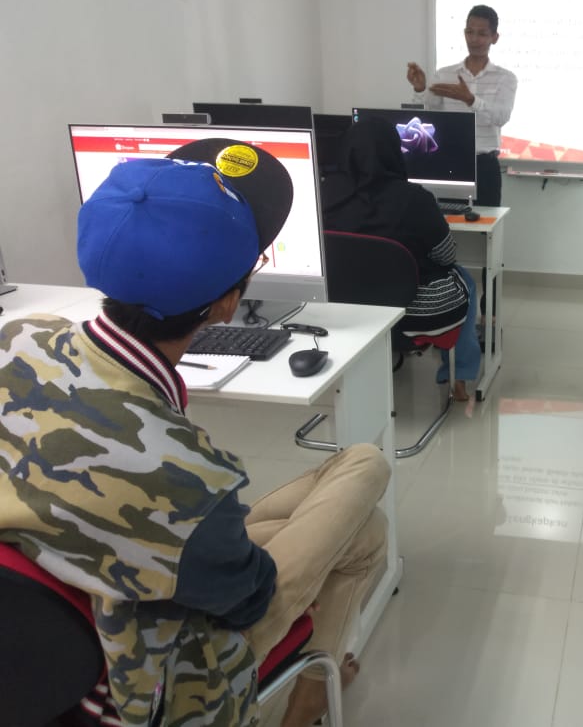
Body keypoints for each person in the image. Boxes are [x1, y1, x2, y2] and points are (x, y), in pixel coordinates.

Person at [0, 141, 390, 727]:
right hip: (160, 672)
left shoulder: (18, 339)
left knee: (358, 517)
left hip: (56, 611)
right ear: (227, 304)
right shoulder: (185, 478)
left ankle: (311, 696)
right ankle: (308, 702)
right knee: (366, 474)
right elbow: (249, 598)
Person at [324, 117, 481, 401]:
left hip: (340, 311)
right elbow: (447, 256)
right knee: (465, 280)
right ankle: (458, 377)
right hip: (411, 315)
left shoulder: (323, 196)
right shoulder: (415, 199)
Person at [406, 3, 517, 208]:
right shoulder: (445, 74)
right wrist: (420, 89)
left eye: (482, 34)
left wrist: (471, 100)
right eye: (469, 32)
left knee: (487, 224)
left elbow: (502, 116)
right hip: (449, 162)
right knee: (449, 220)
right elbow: (428, 114)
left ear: (494, 37)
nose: (474, 39)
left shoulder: (505, 78)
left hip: (484, 165)